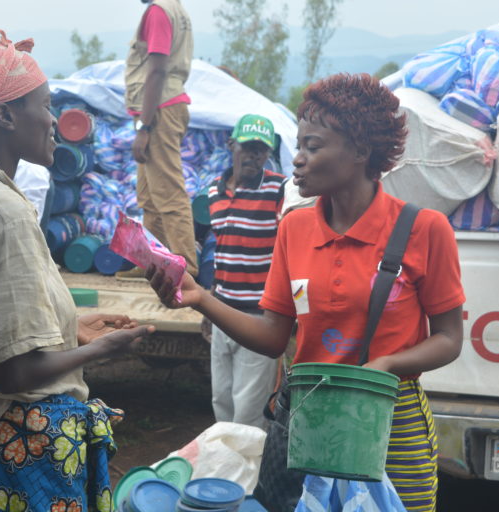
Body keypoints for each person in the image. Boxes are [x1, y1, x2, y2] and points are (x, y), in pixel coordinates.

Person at [146, 73, 465, 512]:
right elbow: (274, 337)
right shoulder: (294, 228)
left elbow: (449, 338)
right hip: (307, 418)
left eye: (313, 147)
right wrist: (200, 297)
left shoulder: (424, 230)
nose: (297, 160)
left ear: (359, 151)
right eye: (299, 146)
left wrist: (387, 365)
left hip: (391, 421)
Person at [0, 31, 153, 512]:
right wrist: (104, 350)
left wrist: (71, 330)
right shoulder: (6, 212)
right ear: (4, 115)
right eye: (44, 106)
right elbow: (15, 372)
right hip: (18, 456)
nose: (52, 121)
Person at [206, 114, 287, 430]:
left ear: (268, 154)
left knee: (248, 414)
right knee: (221, 403)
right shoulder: (214, 191)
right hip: (222, 314)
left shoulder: (279, 190)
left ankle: (249, 476)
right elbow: (222, 251)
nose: (253, 155)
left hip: (259, 319)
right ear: (231, 146)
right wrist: (210, 307)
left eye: (260, 150)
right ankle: (228, 472)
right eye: (247, 147)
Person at [117, 0, 197, 280]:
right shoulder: (175, 9)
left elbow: (157, 70)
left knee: (169, 194)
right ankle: (153, 263)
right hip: (162, 108)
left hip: (159, 111)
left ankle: (187, 267)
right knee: (150, 196)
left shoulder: (159, 11)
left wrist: (145, 126)